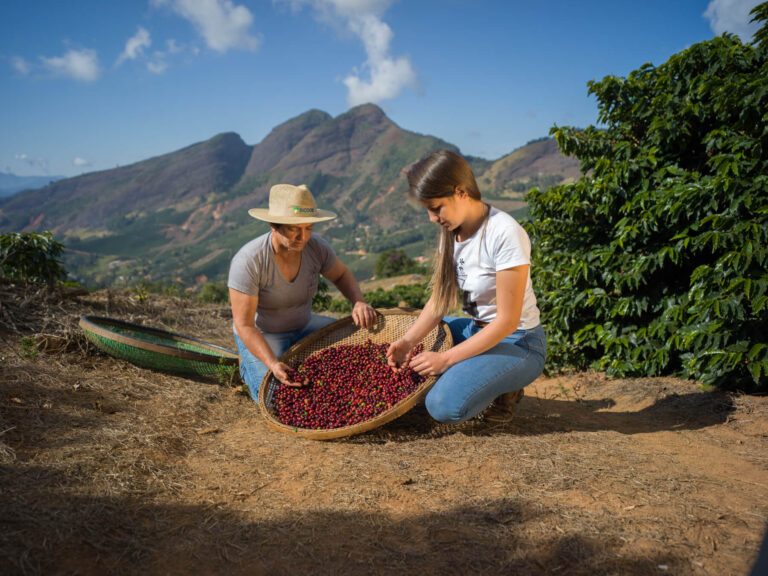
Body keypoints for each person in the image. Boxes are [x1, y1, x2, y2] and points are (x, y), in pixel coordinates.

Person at [387, 150, 547, 423]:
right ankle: (478, 374)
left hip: (518, 342)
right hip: (475, 330)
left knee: (443, 406)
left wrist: (447, 359)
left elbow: (508, 322)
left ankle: (506, 386)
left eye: (436, 208)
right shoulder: (451, 233)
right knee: (409, 331)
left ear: (461, 192)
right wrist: (407, 341)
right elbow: (438, 302)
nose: (432, 218)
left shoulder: (504, 233)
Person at [228, 183, 376, 401]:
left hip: (306, 326)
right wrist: (273, 363)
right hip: (265, 334)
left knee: (364, 350)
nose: (303, 237)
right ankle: (248, 365)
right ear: (274, 225)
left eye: (308, 228)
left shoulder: (316, 247)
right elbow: (245, 325)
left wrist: (358, 302)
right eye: (294, 229)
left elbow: (341, 275)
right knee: (275, 397)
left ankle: (294, 354)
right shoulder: (250, 260)